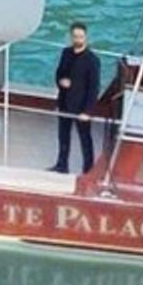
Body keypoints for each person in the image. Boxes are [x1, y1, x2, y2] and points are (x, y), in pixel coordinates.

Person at [53, 22, 101, 174]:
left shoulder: (92, 60)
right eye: (75, 36)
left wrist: (87, 111)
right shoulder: (66, 53)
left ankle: (88, 169)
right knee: (63, 135)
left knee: (85, 139)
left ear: (85, 37)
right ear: (71, 36)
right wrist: (61, 82)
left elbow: (94, 88)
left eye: (80, 36)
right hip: (65, 101)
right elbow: (59, 73)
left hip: (81, 106)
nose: (78, 39)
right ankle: (62, 165)